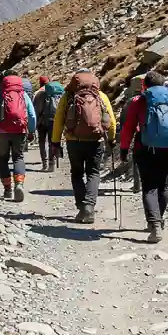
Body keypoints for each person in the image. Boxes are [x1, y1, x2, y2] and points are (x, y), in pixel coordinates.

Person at [118, 71, 168, 243]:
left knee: (149, 187)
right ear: (164, 85)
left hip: (144, 149)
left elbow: (129, 127)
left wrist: (123, 150)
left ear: (144, 86)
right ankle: (158, 221)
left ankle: (154, 226)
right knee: (163, 186)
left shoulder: (138, 102)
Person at [51, 69, 116, 223]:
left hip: (73, 141)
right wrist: (111, 139)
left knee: (77, 173)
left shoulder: (68, 96)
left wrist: (55, 142)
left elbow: (59, 120)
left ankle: (81, 207)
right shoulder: (100, 96)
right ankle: (89, 206)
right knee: (93, 173)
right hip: (95, 140)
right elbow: (111, 121)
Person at [0, 69, 36, 201]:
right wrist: (31, 130)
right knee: (18, 157)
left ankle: (7, 189)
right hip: (19, 130)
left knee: (3, 159)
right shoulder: (22, 93)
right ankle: (19, 184)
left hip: (2, 131)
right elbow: (31, 114)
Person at [33, 76, 64, 172]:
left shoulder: (38, 94)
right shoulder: (58, 94)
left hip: (42, 122)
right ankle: (52, 164)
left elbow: (36, 110)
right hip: (54, 120)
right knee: (52, 142)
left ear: (40, 83)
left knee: (42, 142)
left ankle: (44, 163)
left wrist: (35, 123)